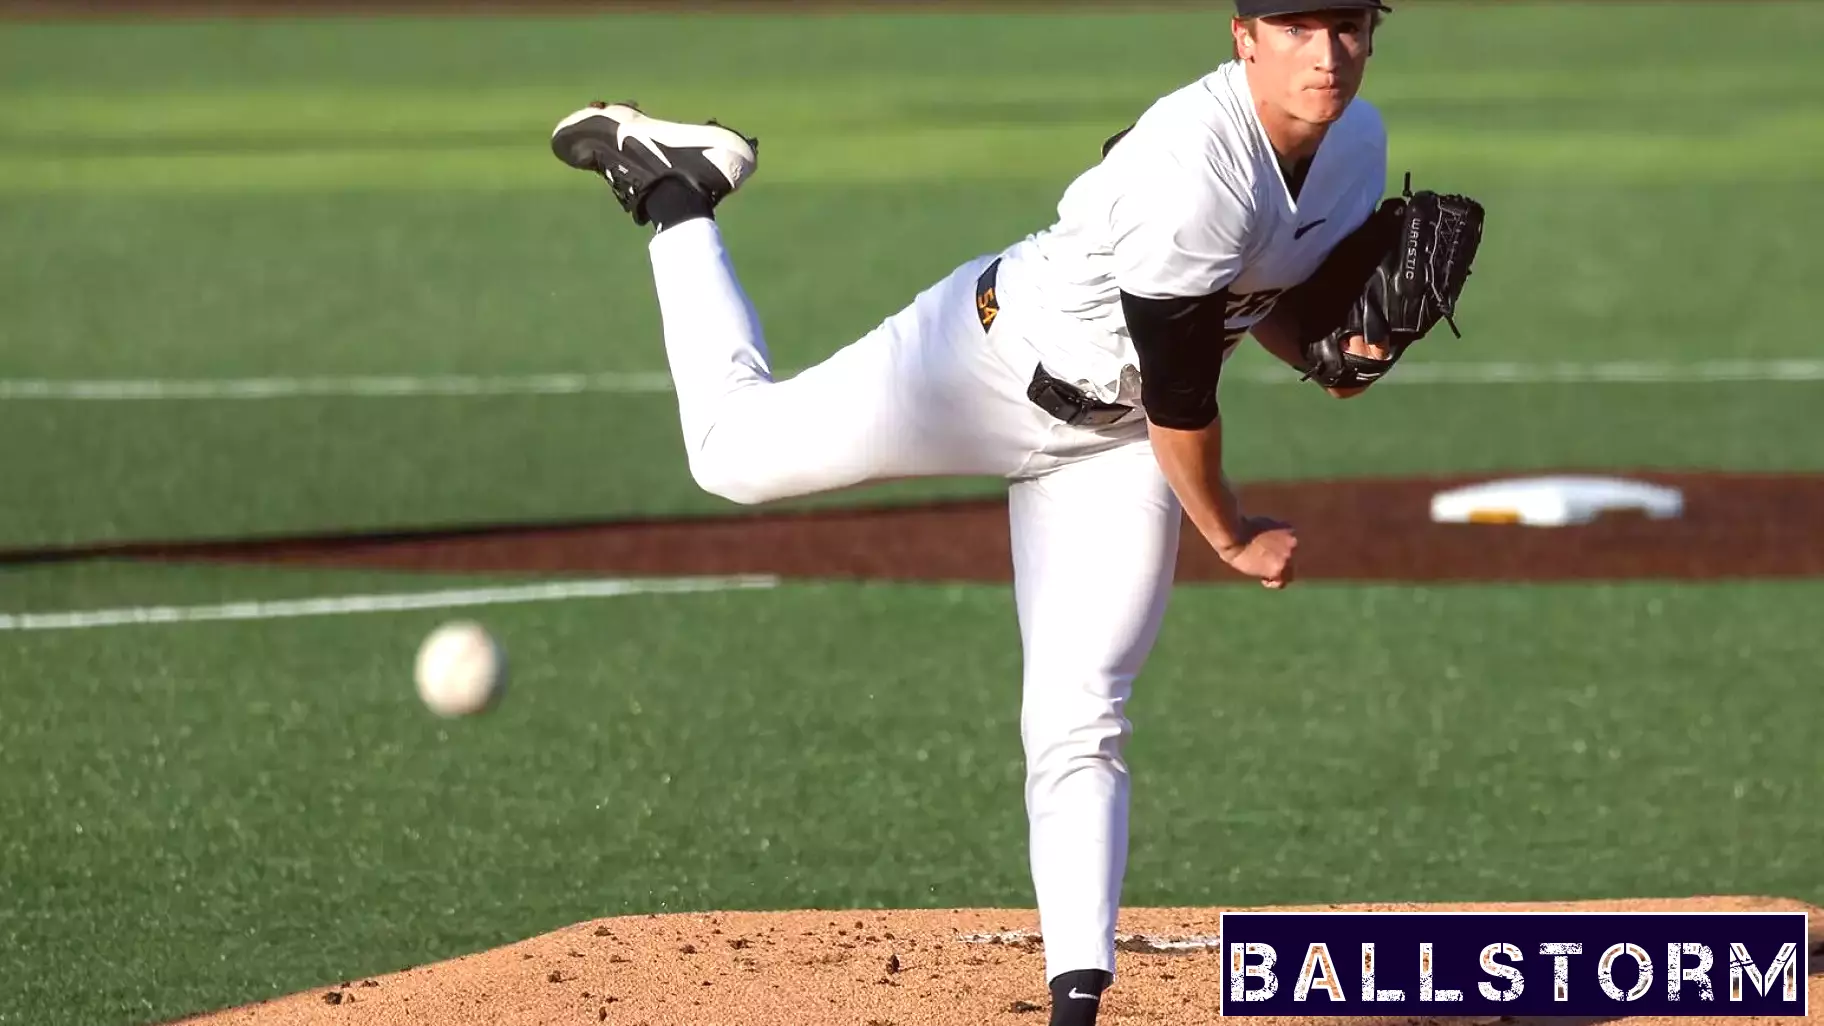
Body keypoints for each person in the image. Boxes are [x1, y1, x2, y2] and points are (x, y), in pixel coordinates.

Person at [551, 1, 1393, 1022]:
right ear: (1244, 35)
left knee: (1082, 710)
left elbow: (1262, 305)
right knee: (731, 455)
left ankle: (1077, 997)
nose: (1326, 52)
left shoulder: (1359, 144)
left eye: (1345, 23)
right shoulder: (1194, 163)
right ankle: (677, 192)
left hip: (1113, 442)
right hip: (975, 364)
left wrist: (1337, 358)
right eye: (1297, 26)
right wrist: (1232, 533)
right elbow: (1184, 402)